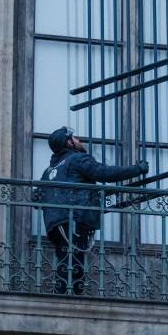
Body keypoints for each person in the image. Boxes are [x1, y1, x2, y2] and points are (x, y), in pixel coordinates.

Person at [38, 126, 149, 295]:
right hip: (74, 218)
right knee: (74, 261)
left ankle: (64, 294)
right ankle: (70, 298)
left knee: (67, 259)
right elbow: (104, 172)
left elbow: (36, 197)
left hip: (54, 224)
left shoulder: (48, 171)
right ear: (69, 143)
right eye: (75, 138)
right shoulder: (77, 159)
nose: (79, 141)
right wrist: (137, 169)